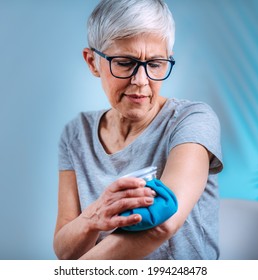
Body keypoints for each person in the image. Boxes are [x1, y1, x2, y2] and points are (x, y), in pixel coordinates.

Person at [53, 0, 223, 260]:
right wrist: (93, 216)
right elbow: (65, 250)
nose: (141, 81)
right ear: (92, 62)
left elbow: (163, 220)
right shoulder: (77, 133)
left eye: (155, 64)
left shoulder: (193, 120)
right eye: (124, 62)